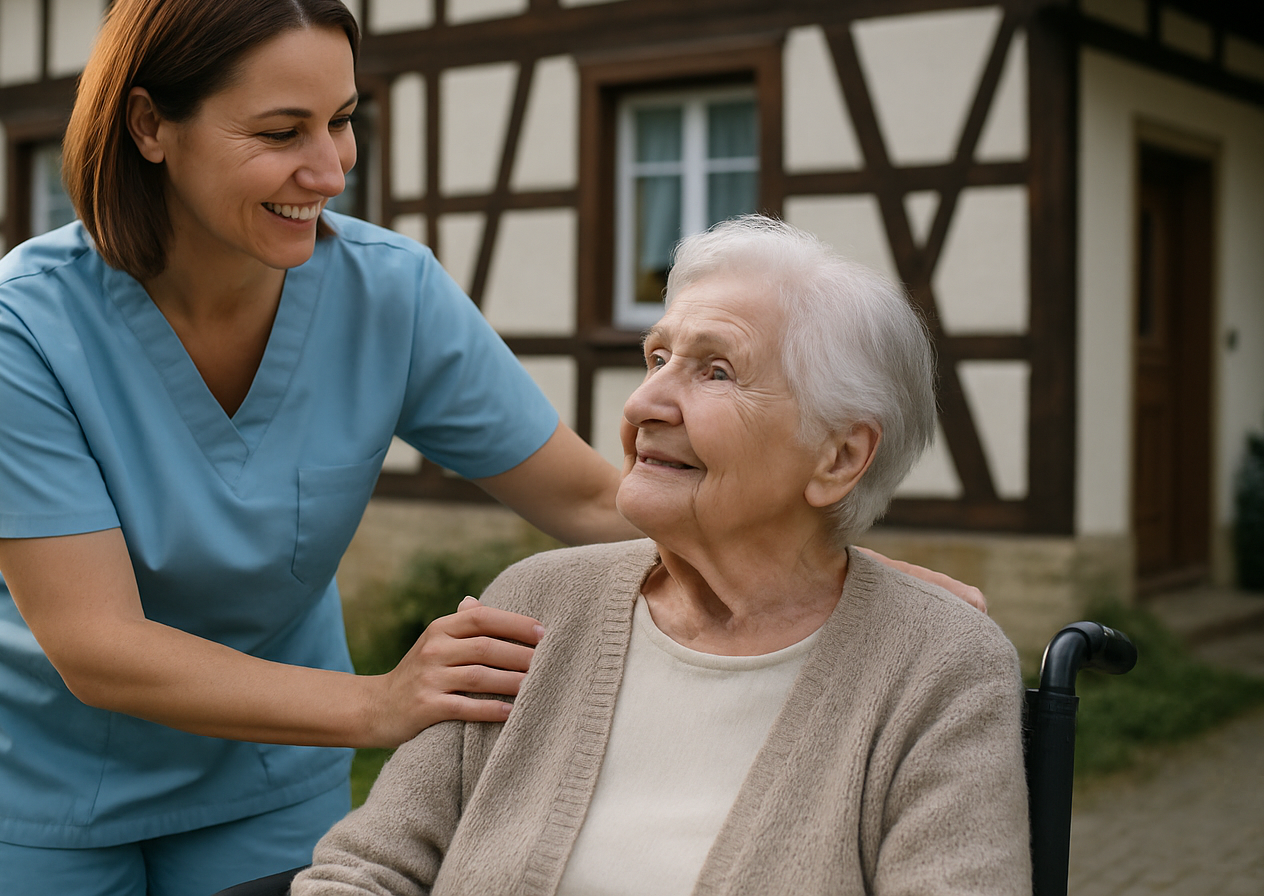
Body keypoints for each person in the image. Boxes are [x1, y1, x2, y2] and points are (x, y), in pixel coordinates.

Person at [0, 0, 984, 896]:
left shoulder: (389, 292)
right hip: (42, 765)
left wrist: (833, 571)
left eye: (342, 121)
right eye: (282, 131)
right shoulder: (23, 324)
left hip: (268, 766)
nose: (328, 169)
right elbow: (97, 645)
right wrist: (380, 704)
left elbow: (585, 496)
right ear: (151, 125)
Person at [295, 216, 1031, 896]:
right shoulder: (533, 607)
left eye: (716, 372)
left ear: (838, 457)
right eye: (657, 358)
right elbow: (364, 871)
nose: (643, 402)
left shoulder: (939, 666)